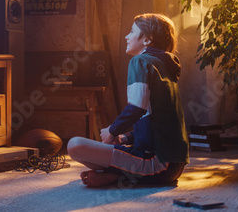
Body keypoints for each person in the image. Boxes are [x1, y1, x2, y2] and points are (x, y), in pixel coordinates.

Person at [67, 13, 189, 188]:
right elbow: (156, 121)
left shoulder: (140, 61)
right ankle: (116, 176)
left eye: (132, 32)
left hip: (156, 165)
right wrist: (125, 138)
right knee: (91, 147)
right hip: (173, 166)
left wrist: (112, 131)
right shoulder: (163, 66)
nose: (127, 36)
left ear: (147, 40)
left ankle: (117, 175)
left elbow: (136, 108)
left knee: (74, 145)